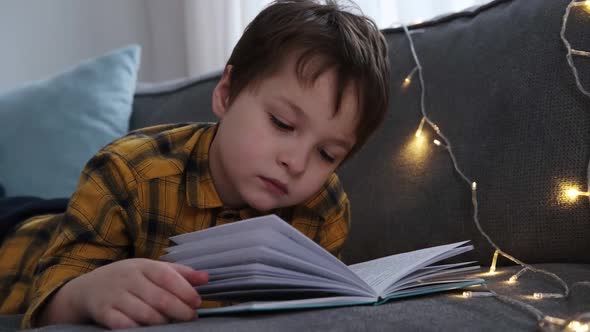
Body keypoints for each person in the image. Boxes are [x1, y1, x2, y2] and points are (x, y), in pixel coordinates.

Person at [0, 0, 390, 329]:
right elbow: (46, 299)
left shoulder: (324, 210)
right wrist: (86, 292)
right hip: (22, 242)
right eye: (282, 124)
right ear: (225, 94)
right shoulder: (128, 172)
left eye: (327, 154)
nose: (296, 162)